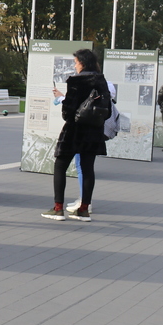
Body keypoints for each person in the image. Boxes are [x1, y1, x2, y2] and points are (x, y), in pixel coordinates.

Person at [42, 48, 108, 222]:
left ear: (82, 63)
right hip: (94, 131)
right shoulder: (101, 80)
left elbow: (67, 112)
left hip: (74, 130)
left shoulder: (76, 81)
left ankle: (58, 209)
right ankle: (84, 210)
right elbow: (106, 110)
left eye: (75, 62)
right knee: (88, 169)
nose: (74, 65)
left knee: (60, 166)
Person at [52, 78, 117, 214]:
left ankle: (78, 203)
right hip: (95, 130)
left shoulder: (86, 83)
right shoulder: (105, 85)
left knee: (74, 166)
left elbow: (79, 107)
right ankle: (84, 204)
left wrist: (61, 98)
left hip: (79, 130)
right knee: (86, 167)